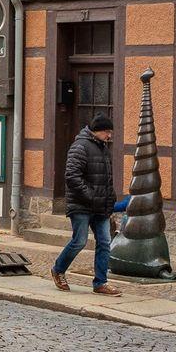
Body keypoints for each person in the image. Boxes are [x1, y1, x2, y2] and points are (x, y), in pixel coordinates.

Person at [51, 113, 122, 296]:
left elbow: (106, 179)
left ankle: (100, 283)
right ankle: (58, 269)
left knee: (105, 242)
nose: (109, 136)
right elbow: (72, 176)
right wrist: (91, 196)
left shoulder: (103, 148)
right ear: (97, 131)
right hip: (81, 205)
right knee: (79, 241)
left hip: (101, 206)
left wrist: (110, 198)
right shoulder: (80, 146)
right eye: (107, 132)